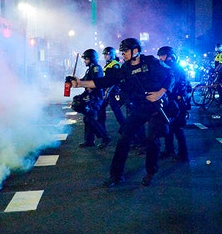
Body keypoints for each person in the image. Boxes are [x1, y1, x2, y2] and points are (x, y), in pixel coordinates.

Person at [70, 38, 174, 187]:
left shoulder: (151, 63)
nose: (122, 54)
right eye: (122, 51)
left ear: (135, 51)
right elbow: (104, 81)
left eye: (125, 51)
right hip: (139, 108)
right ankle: (116, 175)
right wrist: (80, 83)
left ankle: (150, 172)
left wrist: (161, 93)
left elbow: (171, 75)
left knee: (152, 140)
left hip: (156, 107)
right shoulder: (124, 69)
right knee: (124, 139)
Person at [73, 49, 112, 149]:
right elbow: (85, 80)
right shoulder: (90, 68)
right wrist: (75, 80)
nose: (85, 61)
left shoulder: (96, 69)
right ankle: (89, 141)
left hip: (96, 96)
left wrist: (85, 90)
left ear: (92, 59)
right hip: (90, 95)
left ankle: (105, 138)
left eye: (86, 59)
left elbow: (96, 83)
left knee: (90, 118)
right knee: (87, 118)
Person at [157, 46, 190, 162]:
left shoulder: (176, 68)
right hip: (169, 101)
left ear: (169, 56)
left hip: (177, 101)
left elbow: (180, 85)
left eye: (162, 55)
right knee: (168, 126)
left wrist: (178, 97)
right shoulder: (167, 68)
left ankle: (183, 154)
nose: (160, 58)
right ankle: (169, 150)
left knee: (177, 128)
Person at [98, 46, 125, 133]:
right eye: (104, 54)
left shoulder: (115, 65)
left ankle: (126, 130)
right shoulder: (109, 64)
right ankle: (103, 133)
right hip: (108, 91)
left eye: (107, 54)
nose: (105, 56)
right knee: (103, 110)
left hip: (112, 91)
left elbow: (115, 80)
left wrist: (107, 91)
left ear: (112, 55)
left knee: (117, 111)